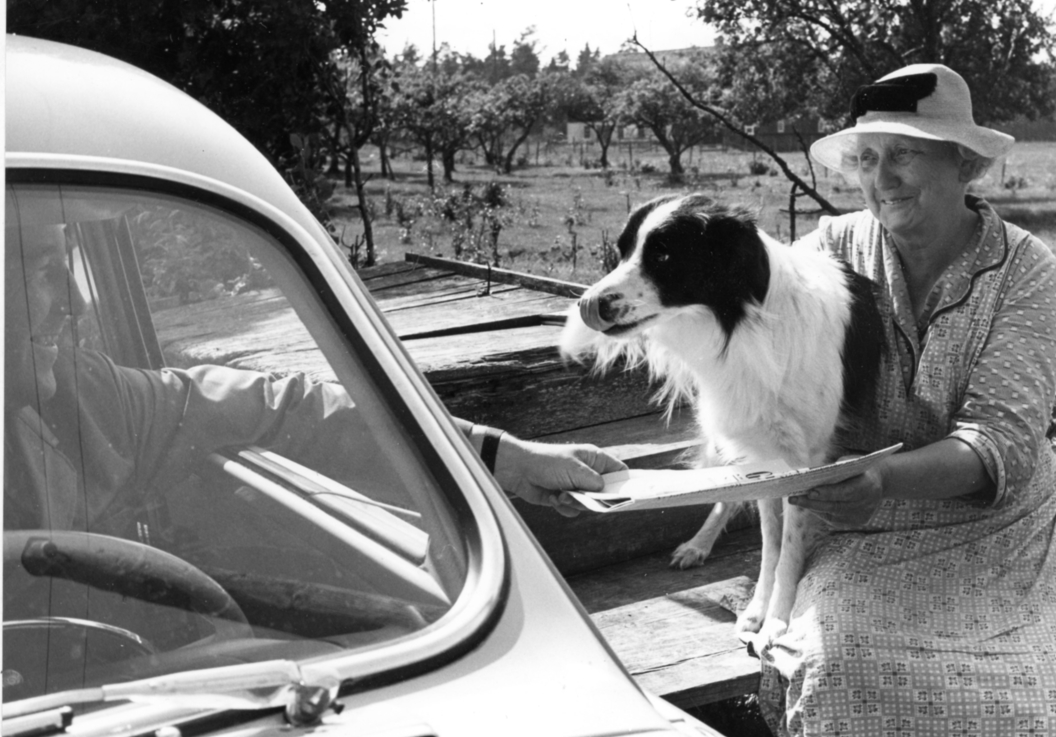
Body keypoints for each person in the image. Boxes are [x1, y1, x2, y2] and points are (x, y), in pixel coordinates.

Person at [758, 65, 1056, 737]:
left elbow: (1001, 443)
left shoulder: (1024, 269)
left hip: (1000, 532)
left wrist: (882, 478)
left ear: (965, 162)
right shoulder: (827, 252)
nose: (880, 178)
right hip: (863, 531)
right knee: (839, 669)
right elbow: (761, 366)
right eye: (866, 158)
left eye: (906, 154)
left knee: (1040, 703)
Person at [4, 222, 624, 538]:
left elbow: (283, 409)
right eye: (40, 270)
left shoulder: (86, 397)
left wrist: (499, 453)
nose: (77, 305)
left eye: (72, 269)